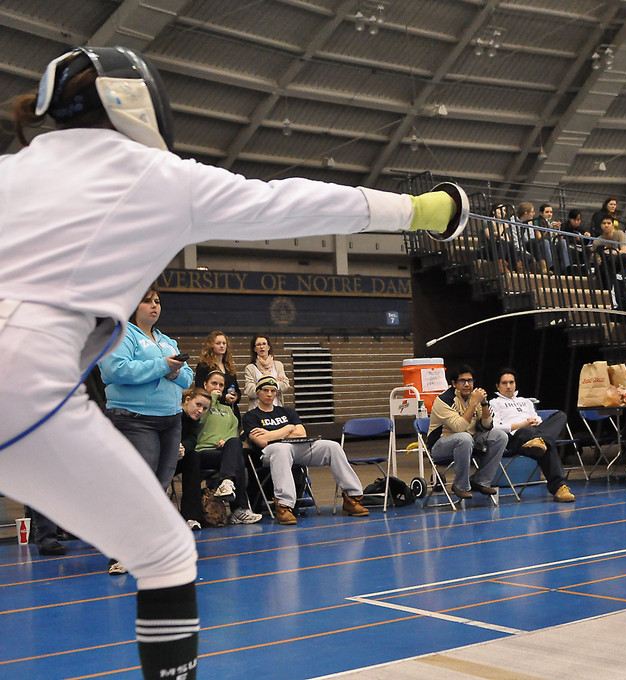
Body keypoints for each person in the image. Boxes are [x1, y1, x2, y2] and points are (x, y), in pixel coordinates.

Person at [0, 44, 459, 680]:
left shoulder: (9, 171)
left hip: (27, 388)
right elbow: (293, 202)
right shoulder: (157, 178)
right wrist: (423, 210)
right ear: (135, 102)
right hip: (19, 383)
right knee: (163, 553)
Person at [100, 287, 195, 493]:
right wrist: (163, 366)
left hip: (171, 418)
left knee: (161, 485)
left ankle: (151, 525)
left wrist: (175, 373)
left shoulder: (168, 341)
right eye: (147, 301)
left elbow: (188, 378)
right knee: (141, 484)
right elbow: (114, 370)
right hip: (135, 419)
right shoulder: (120, 334)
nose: (154, 305)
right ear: (134, 306)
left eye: (158, 302)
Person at [242, 376, 369, 523]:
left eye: (273, 390)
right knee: (281, 449)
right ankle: (284, 506)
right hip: (271, 453)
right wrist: (288, 428)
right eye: (265, 390)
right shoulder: (251, 416)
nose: (269, 394)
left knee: (332, 446)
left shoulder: (287, 412)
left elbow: (301, 433)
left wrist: (271, 433)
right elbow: (262, 441)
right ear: (258, 393)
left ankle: (352, 498)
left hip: (298, 448)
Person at [186, 371, 262, 525]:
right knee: (236, 459)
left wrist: (226, 440)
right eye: (214, 383)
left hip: (223, 454)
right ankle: (238, 509)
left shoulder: (228, 410)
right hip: (202, 452)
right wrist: (212, 398)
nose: (218, 387)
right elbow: (198, 421)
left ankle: (227, 484)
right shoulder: (201, 406)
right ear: (205, 384)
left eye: (221, 385)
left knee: (235, 445)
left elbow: (233, 430)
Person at [489, 368, 575, 503]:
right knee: (536, 436)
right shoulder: (494, 403)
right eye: (504, 383)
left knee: (560, 416)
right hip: (516, 437)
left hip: (535, 433)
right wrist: (522, 424)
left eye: (511, 382)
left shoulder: (526, 401)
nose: (508, 386)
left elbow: (537, 418)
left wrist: (536, 421)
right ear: (497, 386)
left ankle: (540, 440)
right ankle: (559, 488)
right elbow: (494, 427)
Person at [426, 365, 507, 500]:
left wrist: (484, 403)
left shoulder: (474, 397)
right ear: (453, 384)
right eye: (462, 381)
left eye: (470, 381)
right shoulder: (444, 400)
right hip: (440, 445)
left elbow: (487, 426)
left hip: (469, 440)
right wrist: (473, 404)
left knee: (500, 436)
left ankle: (481, 480)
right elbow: (459, 427)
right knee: (464, 438)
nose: (467, 384)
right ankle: (461, 485)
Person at [177, 386, 213, 531]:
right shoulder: (173, 414)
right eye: (198, 405)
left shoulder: (194, 422)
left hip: (178, 456)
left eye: (204, 409)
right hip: (159, 457)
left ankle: (190, 516)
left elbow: (192, 439)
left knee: (193, 457)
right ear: (187, 400)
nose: (200, 411)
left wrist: (182, 447)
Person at [193, 330, 241, 415]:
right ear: (211, 346)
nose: (222, 346)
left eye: (224, 343)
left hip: (230, 410)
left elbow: (237, 390)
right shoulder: (203, 366)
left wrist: (235, 397)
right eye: (218, 343)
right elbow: (199, 389)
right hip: (211, 409)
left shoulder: (229, 366)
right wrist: (223, 398)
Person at [243, 335, 290, 410]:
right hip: (257, 409)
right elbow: (249, 391)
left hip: (276, 408)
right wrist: (274, 383)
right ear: (255, 349)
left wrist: (260, 386)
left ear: (268, 347)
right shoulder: (250, 368)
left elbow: (285, 384)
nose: (262, 347)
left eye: (264, 344)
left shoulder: (278, 365)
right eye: (258, 345)